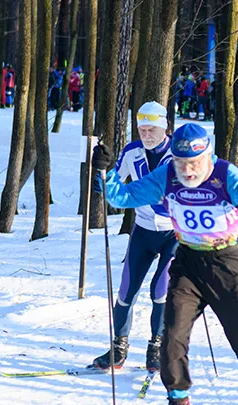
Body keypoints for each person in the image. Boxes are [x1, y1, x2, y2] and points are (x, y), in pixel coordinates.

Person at [94, 122, 238, 405]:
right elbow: (123, 196)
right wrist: (104, 173)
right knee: (171, 339)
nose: (188, 171)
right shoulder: (167, 176)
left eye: (195, 164)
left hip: (227, 264)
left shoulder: (226, 174)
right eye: (181, 163)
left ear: (207, 156)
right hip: (188, 262)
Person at [89, 102, 178, 373]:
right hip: (143, 229)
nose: (147, 135)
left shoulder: (177, 153)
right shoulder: (132, 152)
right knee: (127, 289)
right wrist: (101, 172)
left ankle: (157, 346)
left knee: (161, 290)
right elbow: (111, 183)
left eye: (152, 129)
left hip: (173, 232)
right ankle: (119, 347)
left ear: (164, 128)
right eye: (142, 129)